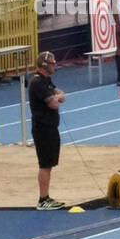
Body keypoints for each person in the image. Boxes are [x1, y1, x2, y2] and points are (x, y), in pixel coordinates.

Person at [29, 51, 66, 210]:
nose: (55, 65)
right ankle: (43, 199)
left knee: (49, 164)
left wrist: (57, 96)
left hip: (50, 127)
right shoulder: (38, 83)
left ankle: (46, 197)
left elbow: (60, 96)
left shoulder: (46, 80)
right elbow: (55, 103)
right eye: (52, 63)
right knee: (45, 164)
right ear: (44, 65)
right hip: (43, 128)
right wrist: (57, 97)